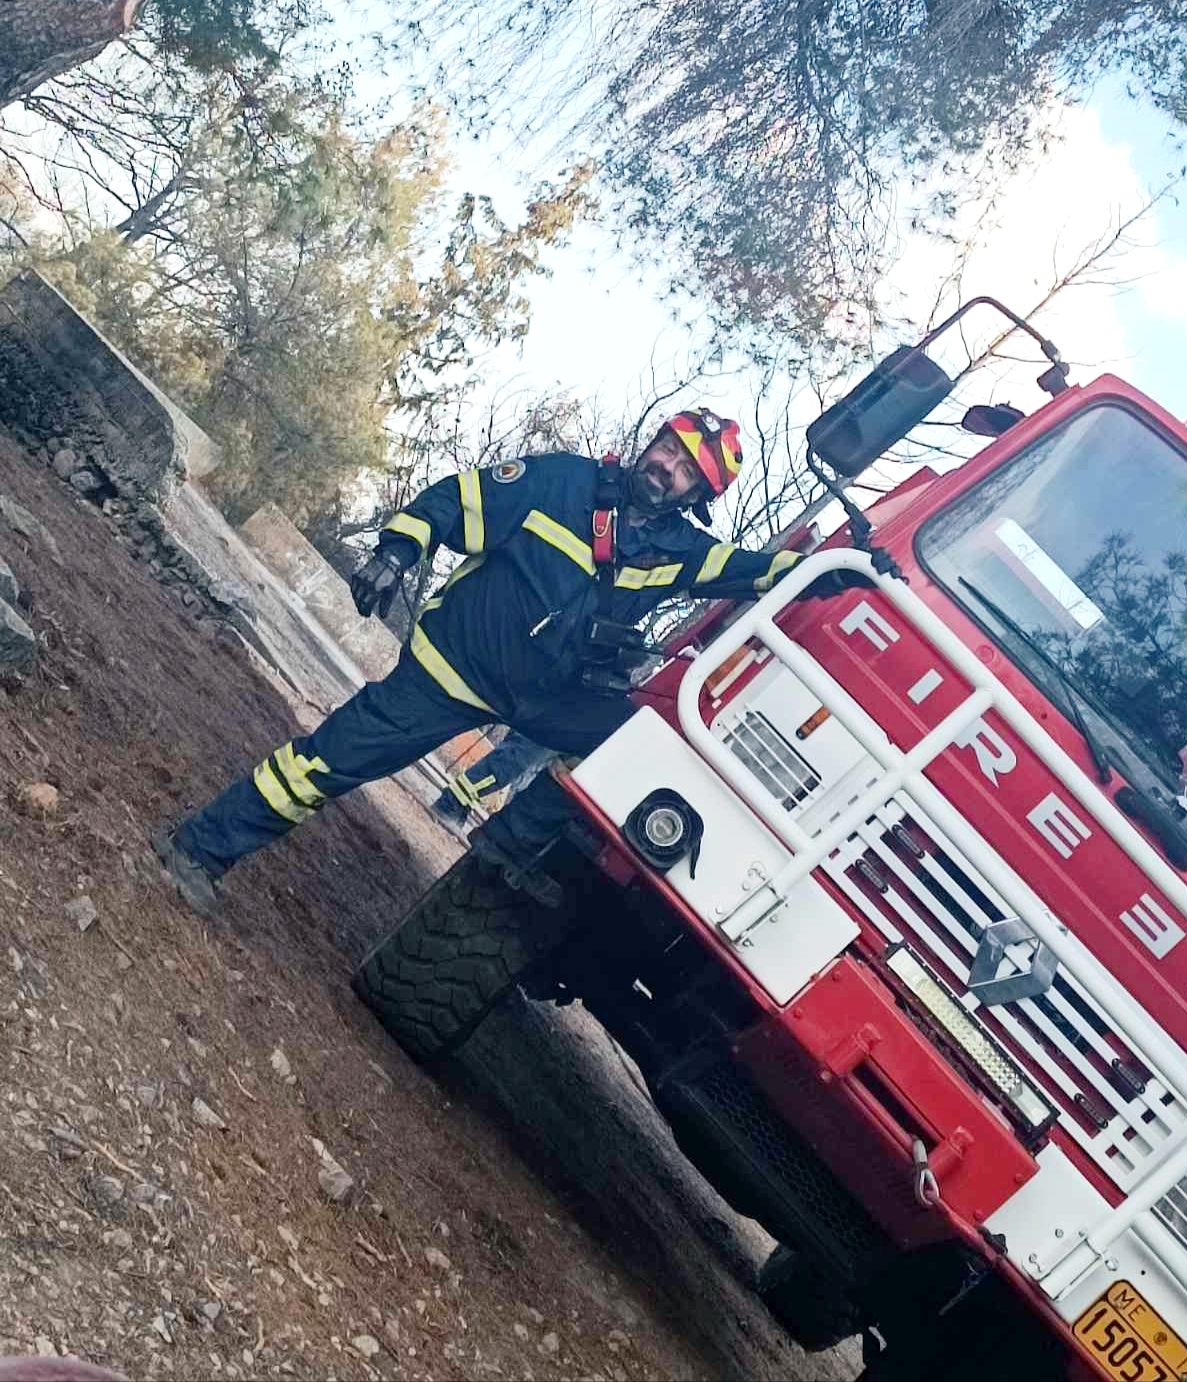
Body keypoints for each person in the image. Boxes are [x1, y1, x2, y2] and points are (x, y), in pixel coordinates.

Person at [155, 408, 890, 916]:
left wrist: (850, 567)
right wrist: (395, 548)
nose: (664, 465)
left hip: (542, 702)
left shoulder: (683, 554)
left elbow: (761, 573)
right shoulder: (560, 481)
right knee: (326, 762)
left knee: (644, 739)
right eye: (666, 448)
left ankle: (527, 854)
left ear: (698, 495)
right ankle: (201, 847)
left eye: (684, 469)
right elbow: (453, 500)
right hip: (453, 668)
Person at [431, 728, 553, 829]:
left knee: (520, 763)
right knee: (512, 760)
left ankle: (459, 804)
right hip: (557, 719)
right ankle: (452, 803)